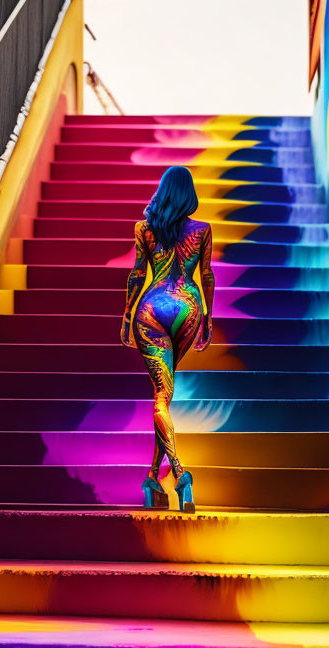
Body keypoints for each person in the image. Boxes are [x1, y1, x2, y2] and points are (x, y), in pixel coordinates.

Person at [120, 165, 215, 512]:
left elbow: (137, 274)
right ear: (188, 194)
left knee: (161, 396)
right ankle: (161, 476)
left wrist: (127, 316)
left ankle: (168, 475)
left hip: (151, 310)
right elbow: (206, 276)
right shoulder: (202, 230)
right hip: (187, 308)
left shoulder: (145, 229)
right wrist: (207, 317)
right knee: (165, 396)